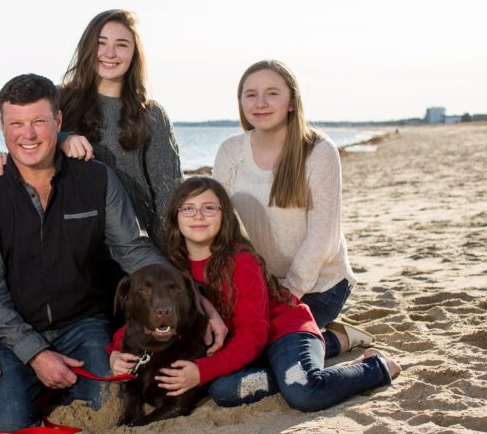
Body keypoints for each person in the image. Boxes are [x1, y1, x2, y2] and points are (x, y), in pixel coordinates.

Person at [0, 73, 192, 433]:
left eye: (39, 121)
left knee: (108, 409)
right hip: (14, 327)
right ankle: (38, 385)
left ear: (58, 122)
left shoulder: (96, 179)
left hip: (82, 323)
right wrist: (35, 354)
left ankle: (59, 387)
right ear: (3, 127)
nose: (28, 134)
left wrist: (187, 293)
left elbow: (132, 249)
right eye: (16, 124)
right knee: (10, 421)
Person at [110, 176, 400, 413]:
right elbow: (142, 315)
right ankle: (327, 346)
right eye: (188, 208)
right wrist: (116, 351)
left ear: (225, 216)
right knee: (224, 391)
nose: (198, 215)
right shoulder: (173, 267)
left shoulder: (241, 261)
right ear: (175, 217)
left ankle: (376, 366)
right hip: (243, 348)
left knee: (304, 393)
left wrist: (202, 370)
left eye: (209, 208)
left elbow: (254, 334)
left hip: (281, 333)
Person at [0, 9, 182, 245]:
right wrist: (61, 138)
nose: (110, 53)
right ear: (87, 47)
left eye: (122, 45)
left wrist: (160, 261)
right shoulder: (59, 98)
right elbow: (25, 140)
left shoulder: (152, 115)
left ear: (135, 53)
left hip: (136, 245)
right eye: (101, 43)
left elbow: (170, 199)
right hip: (73, 244)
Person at [212, 59, 373, 360]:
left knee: (263, 353)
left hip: (317, 286)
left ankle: (338, 338)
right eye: (251, 94)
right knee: (231, 350)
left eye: (272, 93)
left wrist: (283, 297)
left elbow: (323, 239)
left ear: (291, 102)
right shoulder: (230, 151)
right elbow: (218, 224)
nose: (260, 103)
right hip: (257, 288)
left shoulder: (318, 151)